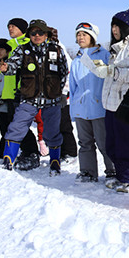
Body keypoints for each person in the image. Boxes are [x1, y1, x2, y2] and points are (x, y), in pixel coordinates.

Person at [80, 6, 129, 192]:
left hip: (125, 103)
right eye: (113, 26)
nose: (115, 30)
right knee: (112, 143)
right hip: (110, 103)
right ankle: (119, 175)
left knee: (125, 143)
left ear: (127, 28)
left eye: (119, 26)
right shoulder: (114, 47)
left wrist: (111, 71)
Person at [0, 19, 69, 174]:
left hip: (52, 98)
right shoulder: (22, 50)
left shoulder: (56, 49)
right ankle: (8, 160)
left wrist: (59, 91)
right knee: (16, 127)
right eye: (33, 33)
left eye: (40, 32)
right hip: (29, 97)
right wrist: (5, 68)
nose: (37, 35)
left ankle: (55, 162)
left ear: (46, 34)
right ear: (29, 34)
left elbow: (64, 72)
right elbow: (12, 65)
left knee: (51, 132)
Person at [69, 22, 115, 182]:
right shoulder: (76, 60)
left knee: (104, 143)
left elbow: (110, 79)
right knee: (85, 143)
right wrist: (73, 111)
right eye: (78, 35)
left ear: (92, 37)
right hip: (81, 109)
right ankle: (88, 172)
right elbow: (73, 88)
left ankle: (112, 171)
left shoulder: (104, 55)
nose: (80, 37)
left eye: (84, 34)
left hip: (100, 108)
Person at [3, 18, 41, 163]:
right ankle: (15, 152)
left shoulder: (27, 45)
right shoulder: (8, 45)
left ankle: (31, 152)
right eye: (8, 26)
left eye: (13, 26)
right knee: (11, 124)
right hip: (8, 92)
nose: (10, 29)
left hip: (24, 91)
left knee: (20, 124)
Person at [48, 26, 78, 160]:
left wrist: (64, 92)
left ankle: (70, 152)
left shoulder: (58, 49)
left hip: (61, 95)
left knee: (63, 124)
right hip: (49, 95)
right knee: (53, 124)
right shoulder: (44, 49)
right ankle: (58, 151)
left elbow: (67, 72)